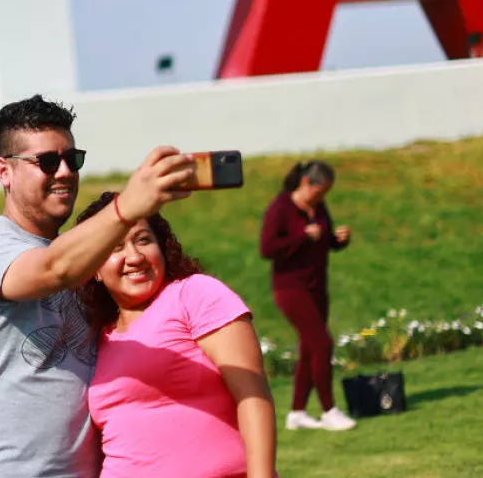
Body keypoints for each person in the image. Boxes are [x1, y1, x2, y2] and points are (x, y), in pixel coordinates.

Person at [0, 94, 197, 478]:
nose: (65, 172)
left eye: (73, 159)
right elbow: (53, 271)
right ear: (4, 171)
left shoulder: (81, 256)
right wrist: (127, 207)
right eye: (47, 162)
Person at [74, 191, 277, 478]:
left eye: (143, 240)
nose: (134, 257)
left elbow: (253, 395)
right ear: (93, 267)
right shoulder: (100, 337)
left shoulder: (195, 294)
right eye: (115, 247)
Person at [259, 160, 356, 432]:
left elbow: (324, 241)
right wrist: (302, 236)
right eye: (320, 191)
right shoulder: (280, 208)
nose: (323, 197)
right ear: (305, 183)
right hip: (290, 289)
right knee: (323, 344)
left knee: (310, 349)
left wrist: (339, 240)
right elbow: (267, 248)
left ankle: (297, 413)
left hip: (317, 287)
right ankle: (329, 411)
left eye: (326, 193)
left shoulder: (319, 208)